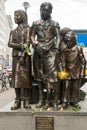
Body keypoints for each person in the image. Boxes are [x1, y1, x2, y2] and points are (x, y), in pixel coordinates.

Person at [31, 2, 62, 110]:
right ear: (40, 10)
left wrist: (56, 48)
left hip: (50, 53)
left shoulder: (55, 23)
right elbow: (31, 36)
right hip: (38, 53)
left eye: (47, 11)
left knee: (52, 77)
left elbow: (58, 37)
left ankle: (53, 100)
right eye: (42, 10)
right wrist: (35, 43)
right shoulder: (35, 23)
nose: (44, 12)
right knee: (39, 77)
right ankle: (41, 99)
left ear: (50, 11)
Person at [8, 10, 32, 110]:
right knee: (16, 79)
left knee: (25, 79)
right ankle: (17, 100)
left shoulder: (28, 29)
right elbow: (9, 43)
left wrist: (22, 55)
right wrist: (20, 46)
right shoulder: (13, 31)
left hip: (25, 56)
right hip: (15, 57)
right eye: (14, 16)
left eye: (17, 16)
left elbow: (28, 43)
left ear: (22, 16)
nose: (15, 18)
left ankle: (26, 100)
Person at [60, 27, 86, 109]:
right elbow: (62, 62)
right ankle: (65, 101)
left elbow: (83, 62)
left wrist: (82, 73)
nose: (68, 43)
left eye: (70, 41)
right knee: (66, 87)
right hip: (67, 72)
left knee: (75, 88)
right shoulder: (65, 50)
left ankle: (74, 101)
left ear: (73, 40)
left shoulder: (78, 49)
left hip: (76, 72)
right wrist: (62, 72)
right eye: (67, 41)